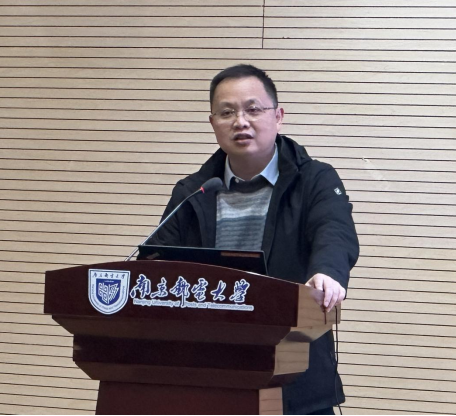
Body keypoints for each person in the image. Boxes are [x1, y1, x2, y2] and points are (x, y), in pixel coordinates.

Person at [149, 64, 360, 415]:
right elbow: (159, 262)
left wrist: (327, 272)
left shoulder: (314, 180)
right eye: (227, 112)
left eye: (253, 109)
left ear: (278, 116)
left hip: (295, 376)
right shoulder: (193, 191)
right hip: (211, 375)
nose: (240, 121)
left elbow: (334, 231)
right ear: (213, 123)